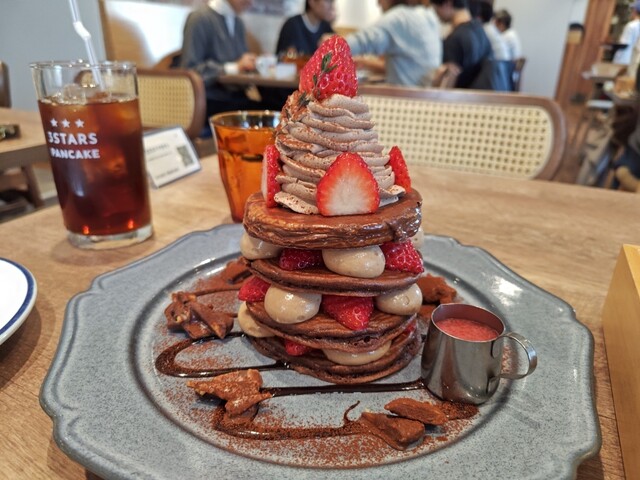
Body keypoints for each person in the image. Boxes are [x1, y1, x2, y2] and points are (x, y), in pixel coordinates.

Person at [179, 0, 263, 130]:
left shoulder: (238, 23)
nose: (251, 2)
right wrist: (235, 67)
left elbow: (241, 64)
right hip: (209, 101)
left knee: (275, 109)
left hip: (234, 98)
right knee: (268, 115)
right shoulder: (199, 19)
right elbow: (190, 70)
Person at [344, 0, 442, 87]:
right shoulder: (428, 16)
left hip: (405, 96)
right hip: (427, 94)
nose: (378, 3)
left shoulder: (398, 18)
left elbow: (360, 42)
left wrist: (335, 44)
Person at [431, 0, 502, 90]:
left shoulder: (454, 39)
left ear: (447, 3)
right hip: (484, 95)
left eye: (436, 8)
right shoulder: (479, 30)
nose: (436, 14)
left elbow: (448, 82)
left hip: (462, 96)